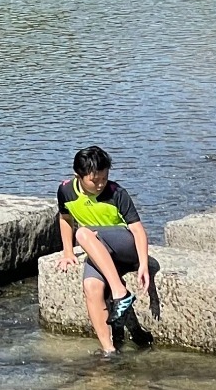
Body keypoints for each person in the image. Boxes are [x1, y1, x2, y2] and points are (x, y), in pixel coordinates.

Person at [55, 145, 151, 357]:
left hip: (125, 246)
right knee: (91, 286)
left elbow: (138, 230)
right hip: (99, 250)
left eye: (104, 178)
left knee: (82, 234)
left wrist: (143, 263)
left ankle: (120, 293)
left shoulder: (117, 193)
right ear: (78, 176)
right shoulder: (65, 191)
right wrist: (68, 253)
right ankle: (109, 350)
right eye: (94, 180)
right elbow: (65, 219)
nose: (100, 184)